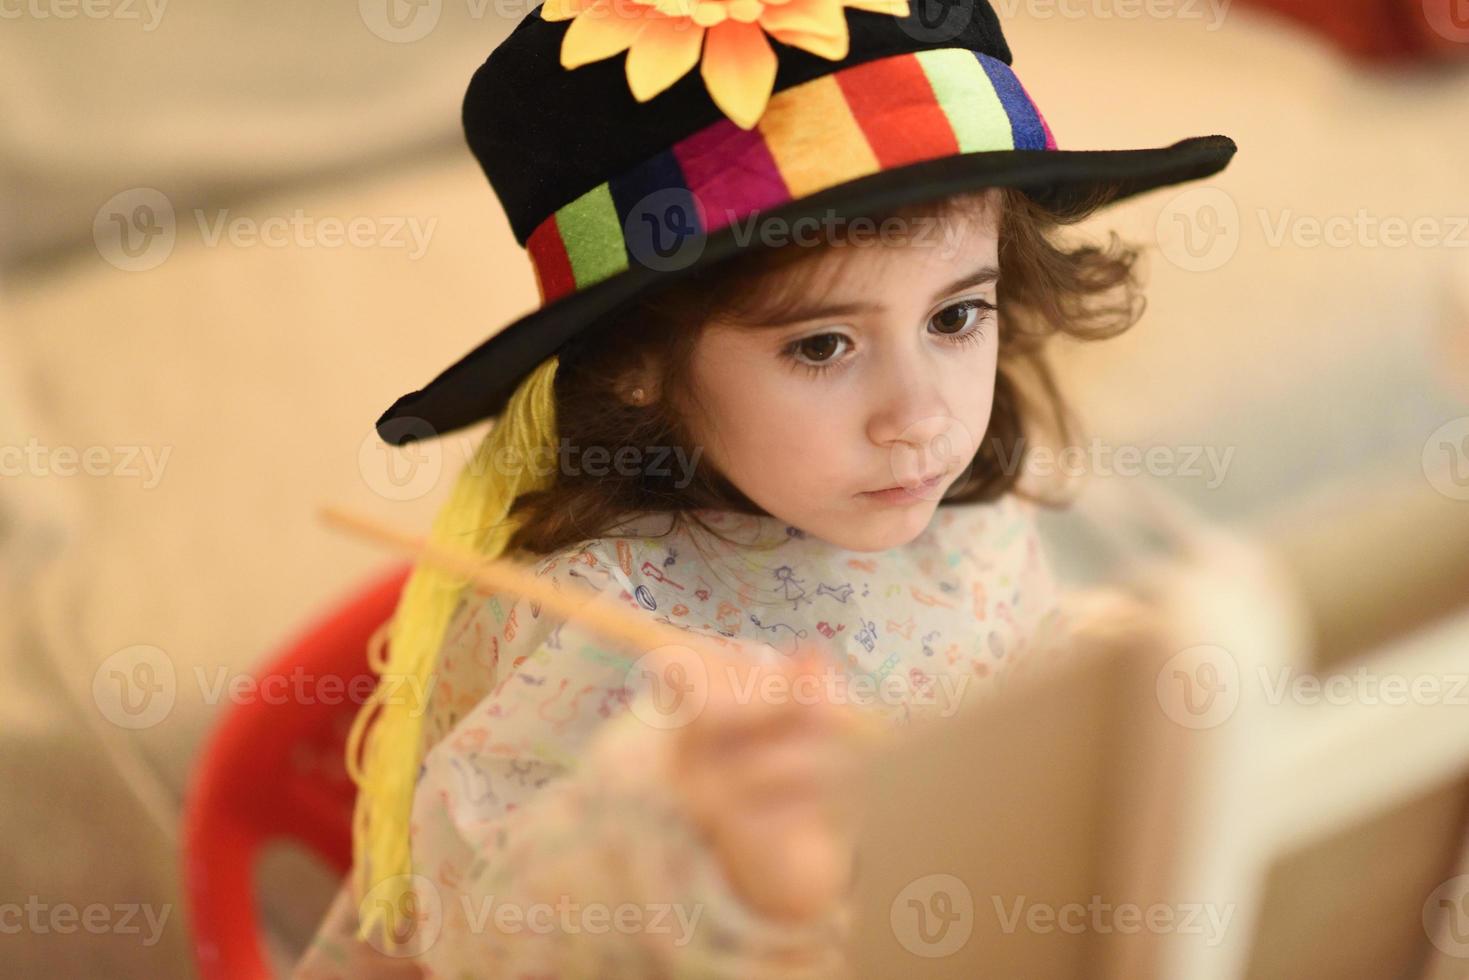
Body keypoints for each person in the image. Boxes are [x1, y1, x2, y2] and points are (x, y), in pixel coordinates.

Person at [292, 0, 1237, 974]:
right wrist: (686, 832)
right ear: (636, 361)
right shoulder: (585, 625)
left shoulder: (974, 523)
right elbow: (485, 934)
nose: (917, 415)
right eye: (822, 344)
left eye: (954, 318)